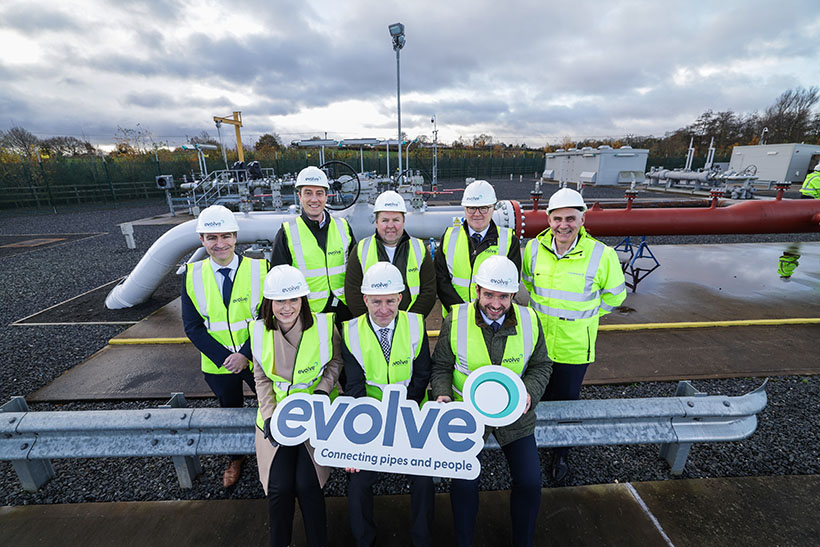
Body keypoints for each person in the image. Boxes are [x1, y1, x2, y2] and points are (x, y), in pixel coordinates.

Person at [431, 256, 551, 547]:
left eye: (503, 296)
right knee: (464, 482)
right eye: (489, 295)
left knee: (530, 482)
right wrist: (442, 394)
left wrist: (529, 394)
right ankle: (464, 541)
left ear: (512, 295)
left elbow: (541, 366)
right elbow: (441, 367)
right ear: (477, 291)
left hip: (515, 416)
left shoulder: (530, 319)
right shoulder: (455, 319)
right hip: (466, 415)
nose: (495, 304)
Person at [522, 187, 626, 483]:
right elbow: (530, 284)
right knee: (535, 397)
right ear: (548, 219)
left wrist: (586, 316)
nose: (563, 225)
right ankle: (533, 442)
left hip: (574, 347)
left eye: (570, 218)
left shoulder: (602, 255)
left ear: (582, 220)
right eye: (557, 219)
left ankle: (561, 452)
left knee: (567, 402)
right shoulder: (533, 249)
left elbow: (615, 297)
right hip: (538, 345)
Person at [341, 262, 434, 546]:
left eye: (390, 301)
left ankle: (422, 539)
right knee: (357, 483)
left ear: (400, 299)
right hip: (368, 420)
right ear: (365, 299)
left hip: (409, 415)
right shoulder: (349, 331)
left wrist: (400, 417)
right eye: (376, 301)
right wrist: (376, 424)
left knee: (423, 480)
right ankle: (364, 540)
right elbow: (354, 386)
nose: (384, 309)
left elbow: (421, 378)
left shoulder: (415, 325)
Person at [250, 264, 342, 547]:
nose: (286, 307)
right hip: (277, 416)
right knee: (279, 489)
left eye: (293, 299)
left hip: (316, 414)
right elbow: (261, 376)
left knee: (308, 485)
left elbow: (335, 363)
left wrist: (322, 392)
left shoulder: (325, 325)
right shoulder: (257, 331)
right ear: (270, 303)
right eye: (279, 300)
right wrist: (269, 415)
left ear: (303, 300)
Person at [181, 204, 269, 487]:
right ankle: (237, 457)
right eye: (212, 238)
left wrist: (244, 354)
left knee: (269, 404)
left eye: (225, 236)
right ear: (202, 240)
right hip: (219, 365)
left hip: (257, 358)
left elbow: (268, 317)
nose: (220, 244)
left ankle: (275, 450)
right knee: (229, 409)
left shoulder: (261, 269)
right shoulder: (192, 275)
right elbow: (193, 326)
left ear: (235, 237)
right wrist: (225, 358)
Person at [270, 165, 357, 322]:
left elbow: (356, 271)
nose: (314, 199)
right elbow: (278, 280)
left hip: (345, 311)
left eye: (319, 193)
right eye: (308, 193)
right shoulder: (287, 232)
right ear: (300, 196)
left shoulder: (343, 227)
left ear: (326, 196)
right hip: (308, 314)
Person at [435, 179, 521, 317]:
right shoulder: (449, 237)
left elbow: (511, 284)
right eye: (471, 208)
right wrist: (461, 311)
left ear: (493, 209)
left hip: (491, 317)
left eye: (483, 208)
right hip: (455, 316)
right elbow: (440, 279)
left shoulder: (509, 241)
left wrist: (484, 312)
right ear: (464, 209)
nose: (477, 214)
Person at [345, 190, 436, 318]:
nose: (390, 226)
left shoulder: (419, 249)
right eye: (385, 220)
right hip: (372, 329)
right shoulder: (360, 250)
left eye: (396, 220)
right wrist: (373, 323)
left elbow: (428, 292)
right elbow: (352, 293)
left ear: (404, 221)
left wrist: (409, 322)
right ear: (376, 222)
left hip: (410, 327)